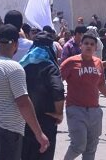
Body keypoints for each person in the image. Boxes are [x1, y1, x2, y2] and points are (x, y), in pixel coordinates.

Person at [0, 24, 49, 160]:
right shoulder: (14, 68)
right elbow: (23, 103)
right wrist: (39, 134)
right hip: (7, 131)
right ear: (16, 44)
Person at [61, 34, 106, 160]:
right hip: (75, 109)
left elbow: (101, 84)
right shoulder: (71, 62)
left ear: (95, 48)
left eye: (92, 44)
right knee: (78, 145)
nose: (89, 46)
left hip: (94, 111)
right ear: (81, 46)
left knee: (91, 148)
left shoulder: (98, 62)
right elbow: (56, 82)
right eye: (86, 43)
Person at [20, 32, 65, 160]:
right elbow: (58, 89)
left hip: (25, 118)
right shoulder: (50, 66)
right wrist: (59, 112)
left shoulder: (22, 65)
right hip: (46, 119)